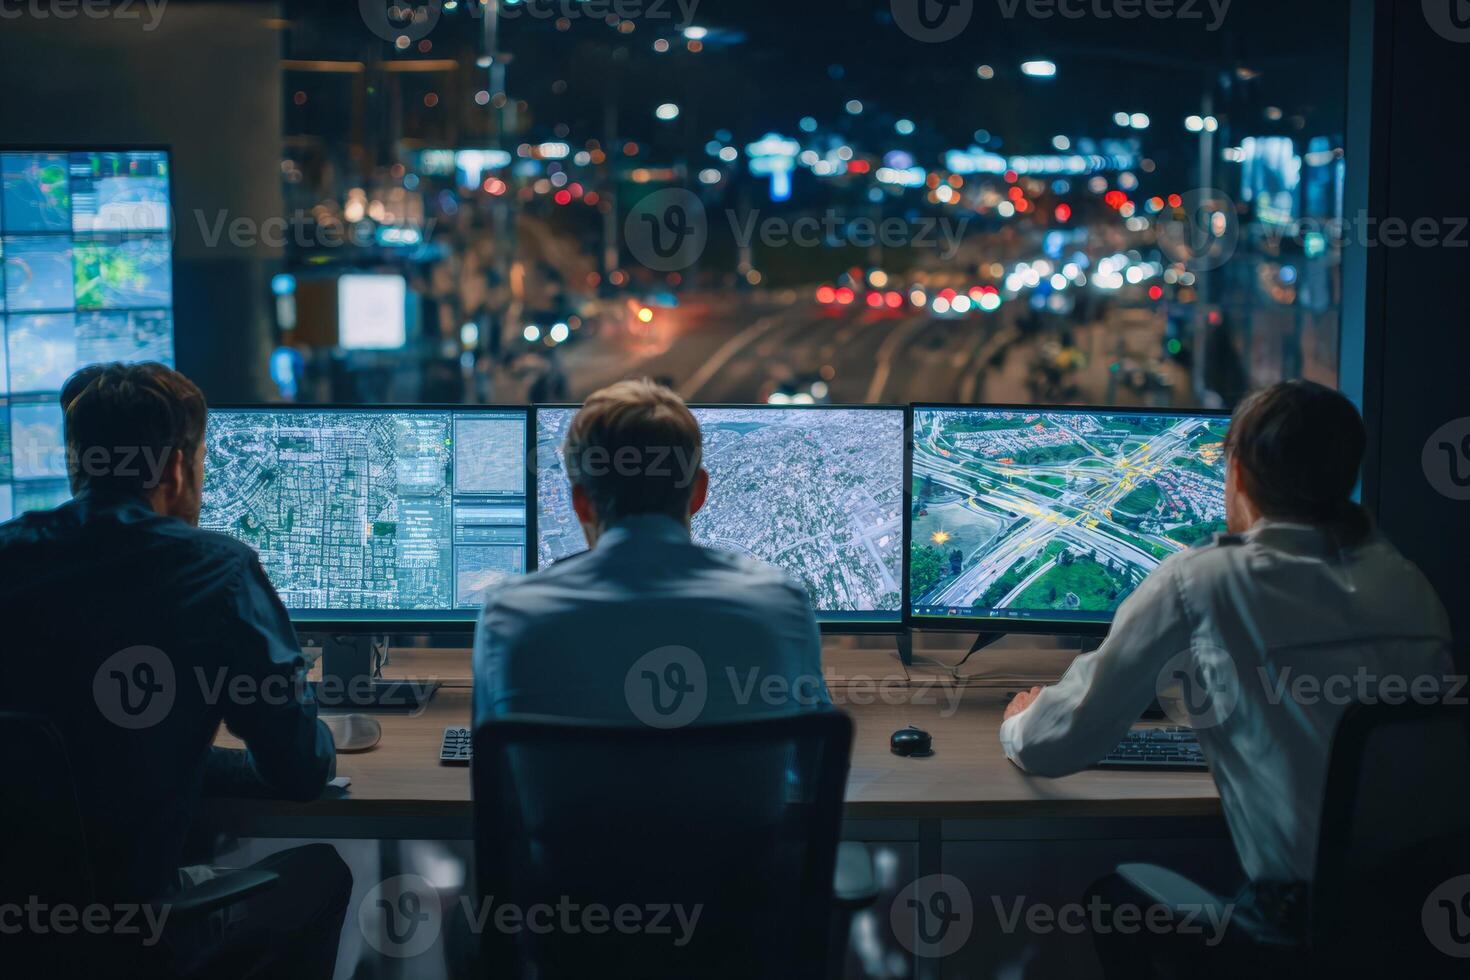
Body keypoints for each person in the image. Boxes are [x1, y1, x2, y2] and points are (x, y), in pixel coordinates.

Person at [998, 381, 1453, 966]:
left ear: (1237, 475)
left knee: (1115, 897)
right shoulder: (1409, 585)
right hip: (1418, 923)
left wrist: (1018, 722)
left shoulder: (1202, 581)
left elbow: (1053, 746)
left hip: (1295, 927)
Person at [0, 363, 351, 979]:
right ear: (177, 469)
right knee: (321, 873)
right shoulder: (216, 573)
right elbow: (299, 769)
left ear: (76, 461)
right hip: (142, 935)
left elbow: (62, 742)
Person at [474, 378, 831, 725]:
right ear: (699, 493)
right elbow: (814, 759)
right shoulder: (783, 610)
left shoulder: (509, 620)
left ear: (581, 504)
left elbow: (494, 770)